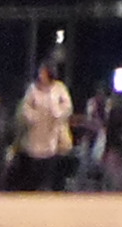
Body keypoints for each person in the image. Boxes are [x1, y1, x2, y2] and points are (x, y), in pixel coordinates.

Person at [10, 61, 78, 191]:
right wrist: (33, 117)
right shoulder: (33, 89)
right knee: (34, 164)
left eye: (43, 72)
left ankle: (51, 187)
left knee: (52, 162)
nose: (41, 75)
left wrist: (58, 114)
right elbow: (25, 107)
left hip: (53, 130)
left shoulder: (59, 88)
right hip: (36, 133)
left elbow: (67, 106)